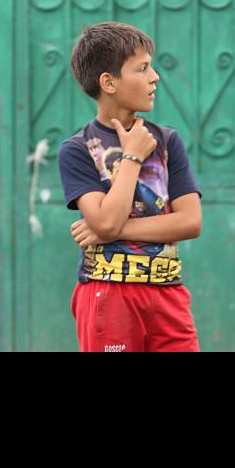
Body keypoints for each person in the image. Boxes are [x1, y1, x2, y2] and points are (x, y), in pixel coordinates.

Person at [58, 22, 203, 352]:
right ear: (108, 82)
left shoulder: (167, 141)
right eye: (143, 68)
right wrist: (133, 157)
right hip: (109, 296)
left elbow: (190, 222)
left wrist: (113, 230)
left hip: (168, 294)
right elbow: (105, 222)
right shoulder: (78, 149)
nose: (155, 77)